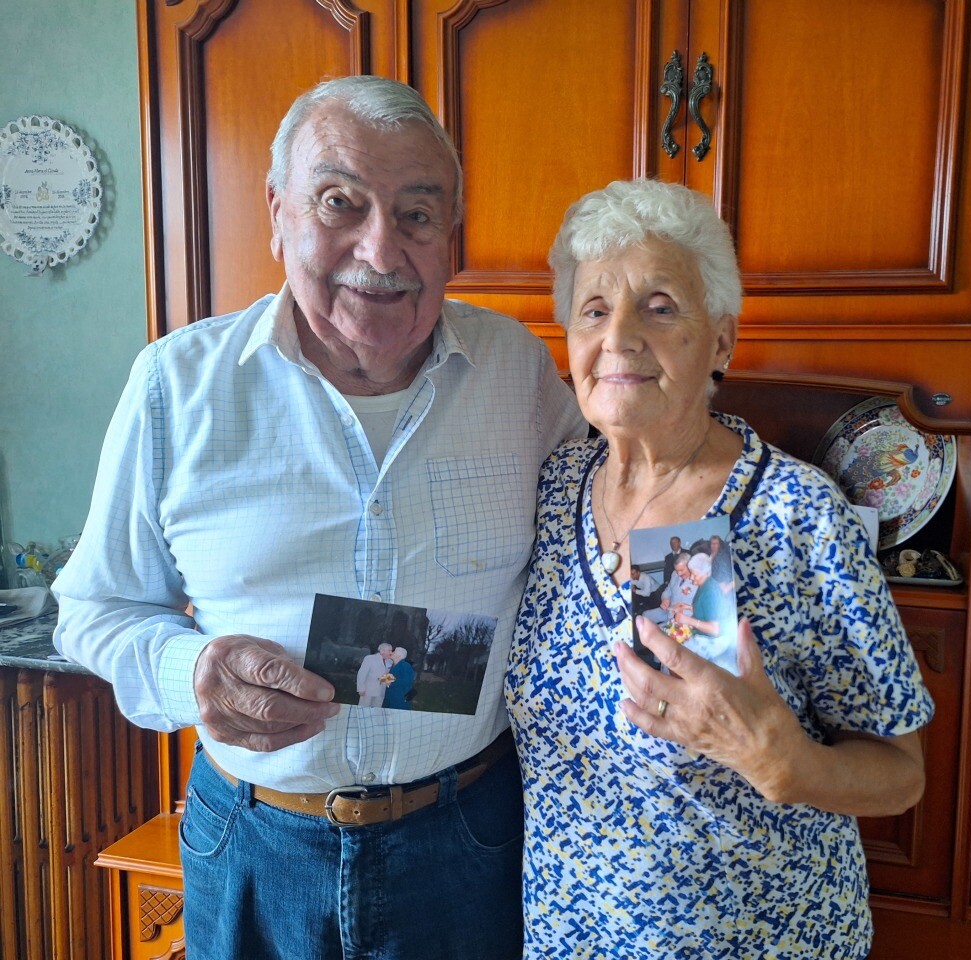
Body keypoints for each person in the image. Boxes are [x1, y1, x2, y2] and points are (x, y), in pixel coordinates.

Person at [52, 75, 584, 960]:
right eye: (341, 202)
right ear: (278, 212)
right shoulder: (174, 387)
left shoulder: (520, 374)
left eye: (418, 213)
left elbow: (609, 545)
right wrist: (195, 670)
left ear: (451, 234)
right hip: (256, 841)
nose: (380, 248)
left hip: (468, 837)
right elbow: (92, 609)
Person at [507, 179, 933, 959]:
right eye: (595, 308)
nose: (620, 337)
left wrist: (786, 763)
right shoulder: (551, 488)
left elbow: (902, 774)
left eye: (661, 306)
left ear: (722, 343)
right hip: (571, 937)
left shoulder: (797, 515)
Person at [356, 641, 395, 707]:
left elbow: (387, 677)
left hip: (381, 692)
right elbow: (362, 674)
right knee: (364, 710)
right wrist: (361, 688)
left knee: (376, 711)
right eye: (389, 651)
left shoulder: (390, 662)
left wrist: (388, 680)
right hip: (368, 691)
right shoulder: (370, 658)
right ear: (382, 651)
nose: (391, 653)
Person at [383, 646, 416, 710]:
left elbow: (406, 682)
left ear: (399, 655)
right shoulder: (393, 665)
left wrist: (390, 682)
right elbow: (386, 679)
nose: (392, 653)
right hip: (390, 698)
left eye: (394, 651)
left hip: (399, 698)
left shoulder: (405, 666)